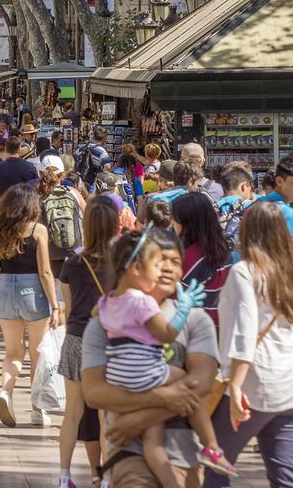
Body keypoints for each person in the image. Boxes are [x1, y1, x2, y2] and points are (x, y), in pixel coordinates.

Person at [82, 227, 226, 486]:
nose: (168, 268)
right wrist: (163, 397)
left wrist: (139, 418)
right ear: (138, 266)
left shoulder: (196, 320)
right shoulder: (103, 323)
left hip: (183, 457)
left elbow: (202, 383)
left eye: (176, 262)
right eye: (160, 260)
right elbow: (94, 393)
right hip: (126, 455)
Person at [206, 203, 293, 487]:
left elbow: (245, 330)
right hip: (287, 385)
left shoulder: (244, 271)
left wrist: (234, 386)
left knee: (214, 464)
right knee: (284, 475)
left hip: (252, 384)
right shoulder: (288, 271)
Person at [0, 183, 58, 428]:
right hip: (33, 292)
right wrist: (55, 305)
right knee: (37, 354)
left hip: (5, 290)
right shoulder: (38, 230)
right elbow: (45, 272)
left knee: (13, 353)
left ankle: (5, 392)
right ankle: (37, 409)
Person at [57, 201, 119, 488]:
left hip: (75, 338)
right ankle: (106, 478)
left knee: (72, 413)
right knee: (106, 414)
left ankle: (64, 476)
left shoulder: (72, 263)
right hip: (106, 341)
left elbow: (69, 311)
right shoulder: (121, 263)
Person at [172, 192, 234, 325]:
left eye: (175, 219)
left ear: (187, 223)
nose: (172, 223)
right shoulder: (223, 247)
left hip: (195, 326)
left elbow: (174, 299)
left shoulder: (188, 257)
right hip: (222, 321)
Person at [0, 136, 38, 215]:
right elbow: (36, 191)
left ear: (6, 148)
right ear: (19, 149)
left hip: (5, 210)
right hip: (25, 211)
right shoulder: (30, 167)